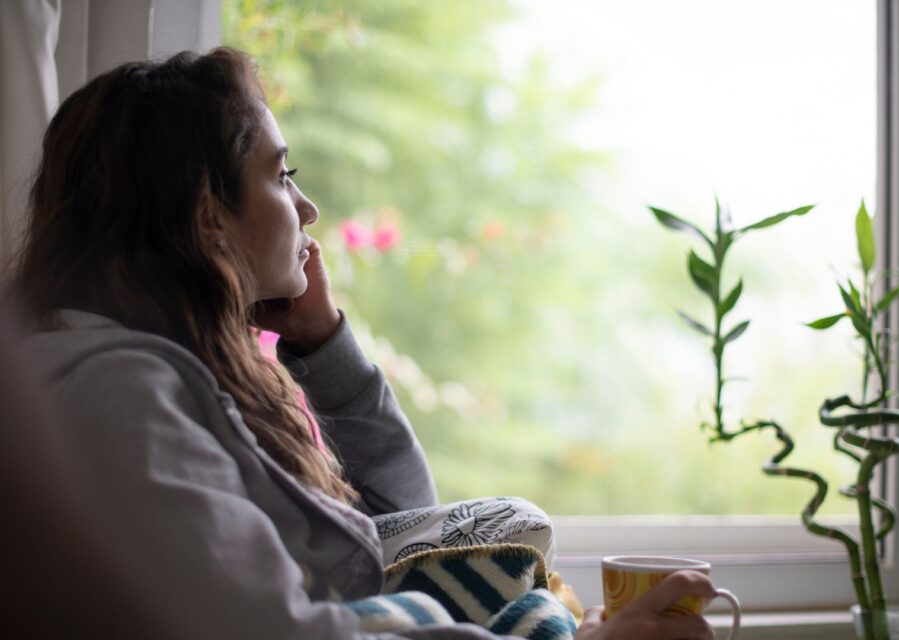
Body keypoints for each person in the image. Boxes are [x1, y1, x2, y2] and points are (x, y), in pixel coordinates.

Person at [6, 47, 718, 639]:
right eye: (282, 176)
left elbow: (387, 540)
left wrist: (322, 345)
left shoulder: (163, 375)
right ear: (208, 216)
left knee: (508, 526)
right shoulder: (120, 397)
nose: (308, 210)